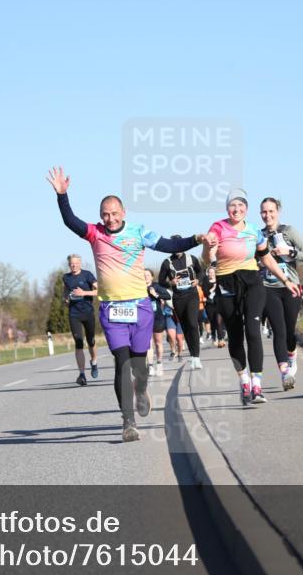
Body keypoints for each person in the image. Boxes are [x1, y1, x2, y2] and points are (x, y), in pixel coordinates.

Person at [48, 167, 209, 442]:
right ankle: (128, 422)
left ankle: (141, 389)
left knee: (139, 368)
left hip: (140, 309)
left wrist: (195, 240)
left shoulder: (138, 232)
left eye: (114, 213)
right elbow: (70, 221)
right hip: (111, 310)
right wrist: (62, 196)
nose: (110, 219)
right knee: (122, 364)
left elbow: (168, 245)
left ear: (123, 213)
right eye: (105, 215)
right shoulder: (95, 233)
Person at [201, 189, 301, 405]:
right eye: (232, 205)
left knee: (253, 331)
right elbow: (207, 257)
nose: (237, 210)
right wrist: (208, 250)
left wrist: (286, 280)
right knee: (235, 335)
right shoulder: (217, 227)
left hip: (252, 282)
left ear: (246, 208)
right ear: (227, 208)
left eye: (241, 206)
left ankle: (256, 385)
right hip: (226, 282)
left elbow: (266, 259)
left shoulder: (255, 231)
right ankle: (244, 380)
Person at [258, 198, 303, 391]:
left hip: (291, 287)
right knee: (278, 330)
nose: (267, 215)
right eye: (264, 212)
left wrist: (290, 251)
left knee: (289, 331)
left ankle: (292, 357)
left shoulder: (289, 231)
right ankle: (285, 373)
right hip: (268, 287)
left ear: (278, 211)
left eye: (271, 211)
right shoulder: (258, 236)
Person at [159, 242, 205, 369]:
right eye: (175, 247)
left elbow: (201, 272)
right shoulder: (167, 262)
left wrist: (198, 280)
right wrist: (171, 282)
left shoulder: (191, 258)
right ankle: (192, 354)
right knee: (185, 326)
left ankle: (197, 356)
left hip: (192, 295)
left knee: (192, 323)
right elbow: (161, 281)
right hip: (178, 298)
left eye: (180, 246)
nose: (177, 249)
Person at [62, 254, 99, 386]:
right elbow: (65, 291)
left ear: (80, 263)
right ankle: (82, 374)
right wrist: (65, 299)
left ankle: (94, 362)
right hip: (74, 314)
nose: (74, 265)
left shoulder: (87, 275)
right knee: (78, 343)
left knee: (91, 341)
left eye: (76, 263)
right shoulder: (66, 277)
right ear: (69, 264)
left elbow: (99, 291)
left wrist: (84, 293)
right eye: (71, 263)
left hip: (88, 313)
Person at [144, 268, 170, 378]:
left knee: (158, 343)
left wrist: (156, 295)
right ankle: (150, 366)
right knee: (148, 344)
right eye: (143, 275)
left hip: (157, 318)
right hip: (144, 320)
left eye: (147, 275)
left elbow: (168, 296)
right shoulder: (138, 288)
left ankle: (159, 364)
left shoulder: (156, 286)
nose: (145, 277)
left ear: (151, 277)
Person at [204, 265, 226, 347]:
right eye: (210, 272)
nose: (211, 274)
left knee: (218, 321)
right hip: (209, 304)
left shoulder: (219, 281)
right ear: (208, 273)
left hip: (218, 304)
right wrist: (213, 288)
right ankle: (214, 337)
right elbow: (206, 293)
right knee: (212, 322)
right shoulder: (206, 282)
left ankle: (221, 339)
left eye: (213, 272)